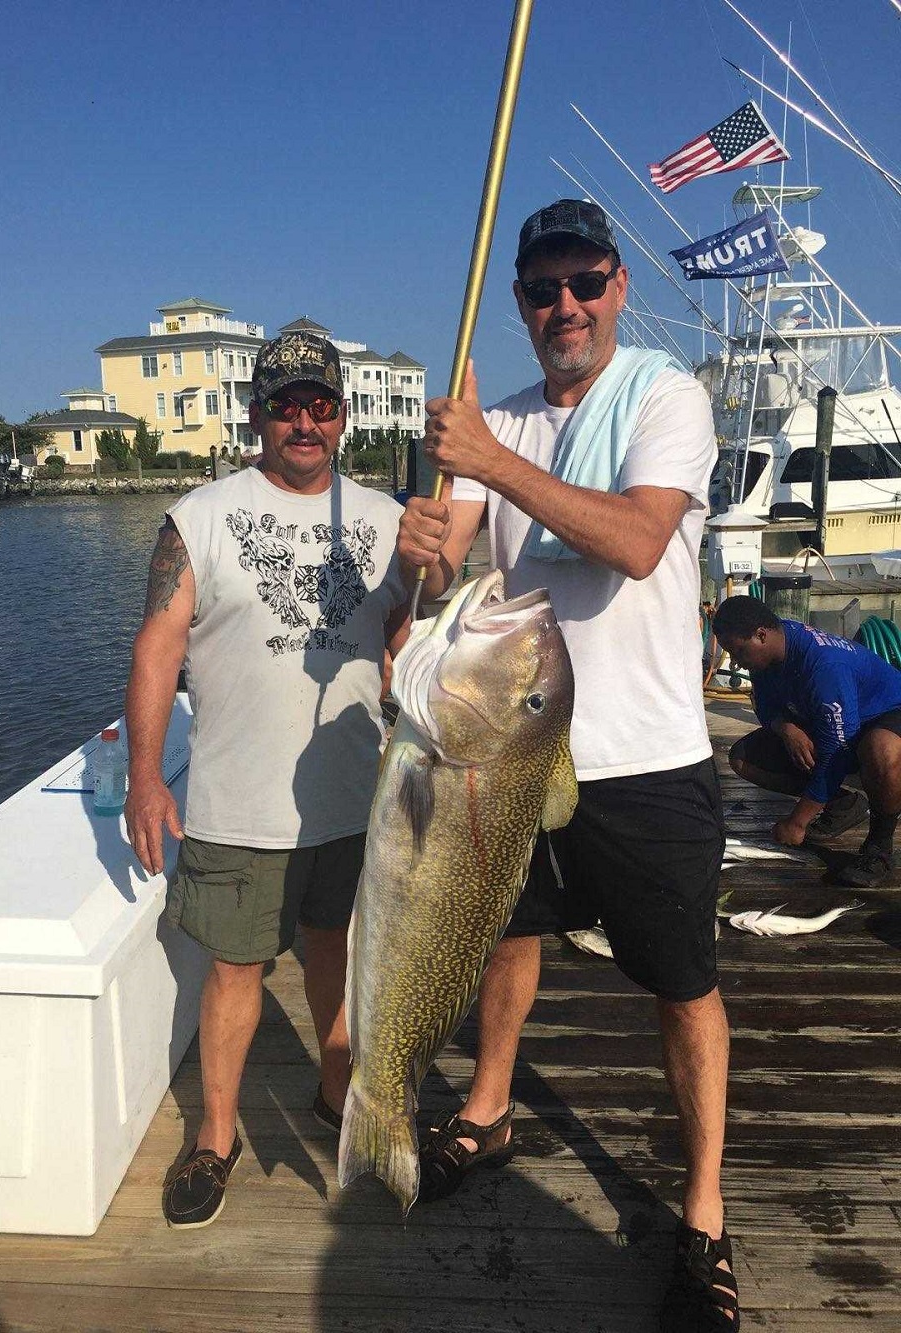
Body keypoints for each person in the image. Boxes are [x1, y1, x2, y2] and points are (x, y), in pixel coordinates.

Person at [398, 199, 736, 1330]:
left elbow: (637, 541)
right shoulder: (491, 422)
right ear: (518, 304)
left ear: (618, 285)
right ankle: (489, 1114)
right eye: (542, 291)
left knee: (681, 985)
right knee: (508, 938)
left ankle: (702, 1212)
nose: (565, 308)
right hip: (513, 749)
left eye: (584, 282)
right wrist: (427, 549)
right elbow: (451, 580)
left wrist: (492, 460)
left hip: (646, 759)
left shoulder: (665, 394)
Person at [124, 331, 409, 1230]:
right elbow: (157, 649)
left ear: (344, 417)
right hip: (237, 803)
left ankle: (338, 1096)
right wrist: (144, 777)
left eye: (321, 404)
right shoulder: (200, 515)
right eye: (286, 402)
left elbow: (406, 629)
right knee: (235, 970)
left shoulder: (387, 519)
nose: (304, 420)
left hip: (351, 798)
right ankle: (216, 1136)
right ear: (258, 413)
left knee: (337, 949)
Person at [713, 595, 901, 887]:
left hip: (884, 715)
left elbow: (835, 752)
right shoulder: (768, 654)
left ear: (761, 635)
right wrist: (787, 728)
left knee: (881, 751)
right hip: (834, 722)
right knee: (743, 758)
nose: (736, 662)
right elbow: (764, 707)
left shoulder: (824, 666)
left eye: (737, 651)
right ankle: (843, 803)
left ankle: (879, 847)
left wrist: (797, 822)